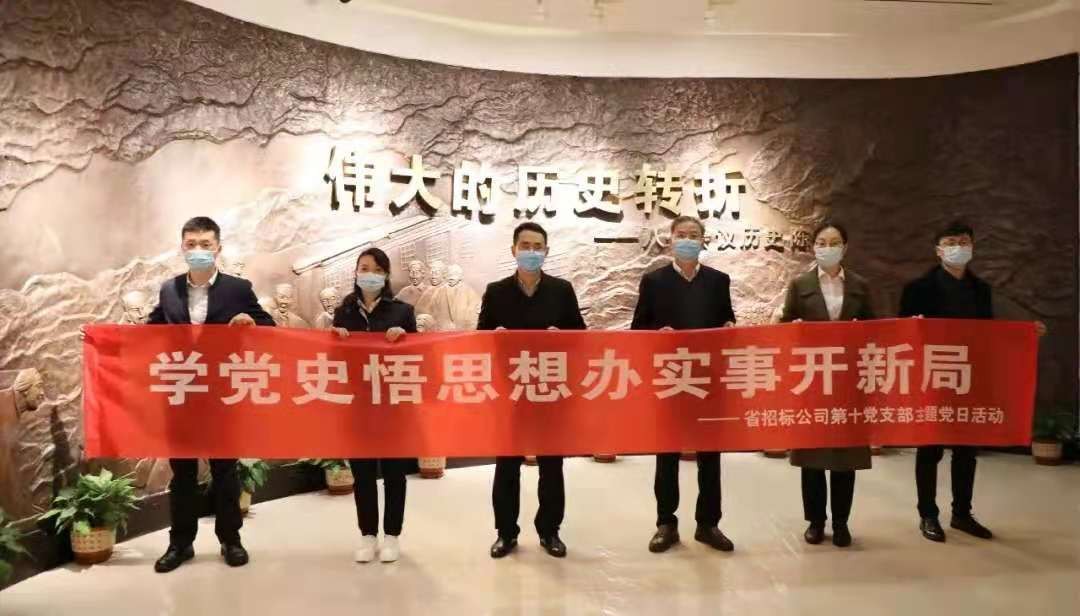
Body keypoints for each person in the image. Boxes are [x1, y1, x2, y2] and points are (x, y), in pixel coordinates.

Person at [899, 220, 1046, 543]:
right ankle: (928, 514)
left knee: (967, 451)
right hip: (932, 380)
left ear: (972, 248)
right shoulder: (917, 289)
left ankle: (962, 513)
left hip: (969, 381)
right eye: (951, 242)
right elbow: (902, 336)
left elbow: (990, 336)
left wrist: (1025, 334)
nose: (958, 247)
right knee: (929, 450)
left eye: (964, 241)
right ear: (938, 250)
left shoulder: (981, 290)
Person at [147, 216, 276, 573]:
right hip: (182, 392)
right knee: (182, 475)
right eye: (191, 244)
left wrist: (250, 323)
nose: (198, 250)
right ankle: (180, 543)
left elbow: (268, 326)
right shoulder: (169, 290)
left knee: (225, 471)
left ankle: (230, 539)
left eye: (205, 244)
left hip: (222, 395)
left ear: (218, 248)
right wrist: (104, 340)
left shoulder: (238, 289)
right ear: (182, 248)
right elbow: (147, 332)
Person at [478, 222, 586, 559]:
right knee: (506, 466)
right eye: (525, 246)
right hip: (510, 393)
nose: (531, 252)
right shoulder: (496, 291)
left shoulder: (561, 290)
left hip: (550, 391)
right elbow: (479, 339)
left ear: (546, 251)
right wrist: (493, 337)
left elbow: (581, 337)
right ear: (513, 250)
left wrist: (562, 338)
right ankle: (506, 533)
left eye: (538, 246)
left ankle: (550, 531)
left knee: (551, 466)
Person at [630, 215, 736, 554]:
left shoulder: (718, 281)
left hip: (707, 381)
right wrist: (656, 334)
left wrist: (730, 327)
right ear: (671, 239)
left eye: (694, 235)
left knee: (710, 456)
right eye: (681, 235)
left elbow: (727, 320)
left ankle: (708, 524)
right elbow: (637, 330)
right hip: (670, 380)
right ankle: (666, 523)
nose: (687, 240)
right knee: (667, 455)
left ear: (703, 241)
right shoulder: (654, 281)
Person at [780, 221, 874, 548]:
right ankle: (816, 521)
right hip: (813, 381)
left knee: (845, 458)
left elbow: (876, 329)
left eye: (834, 242)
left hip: (848, 382)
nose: (827, 248)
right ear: (813, 247)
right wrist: (793, 327)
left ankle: (842, 522)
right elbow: (785, 326)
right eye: (822, 242)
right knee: (812, 457)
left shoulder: (860, 285)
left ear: (845, 248)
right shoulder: (800, 284)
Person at [332, 247, 417, 563]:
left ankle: (392, 535)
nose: (369, 274)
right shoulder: (344, 312)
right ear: (356, 273)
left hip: (393, 405)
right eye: (364, 268)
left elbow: (417, 356)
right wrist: (335, 341)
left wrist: (404, 337)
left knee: (395, 473)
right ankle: (367, 534)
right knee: (363, 473)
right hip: (358, 405)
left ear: (385, 275)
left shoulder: (402, 312)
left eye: (377, 270)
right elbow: (334, 361)